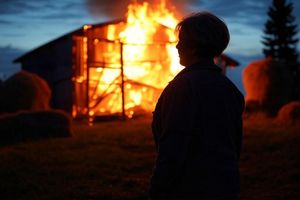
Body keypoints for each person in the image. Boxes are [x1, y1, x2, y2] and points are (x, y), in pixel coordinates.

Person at [149, 12, 245, 200]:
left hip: (188, 189)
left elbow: (172, 147)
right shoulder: (230, 90)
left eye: (182, 40)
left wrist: (157, 188)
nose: (177, 46)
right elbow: (235, 146)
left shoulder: (182, 88)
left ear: (195, 46)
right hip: (225, 186)